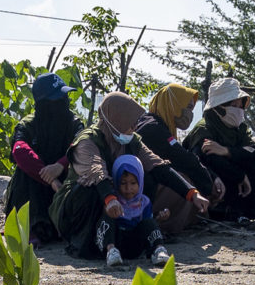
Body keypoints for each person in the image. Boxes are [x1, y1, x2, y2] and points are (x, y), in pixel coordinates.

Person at [55, 93, 204, 257]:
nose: (134, 126)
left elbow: (157, 166)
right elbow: (95, 172)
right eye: (130, 121)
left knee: (147, 178)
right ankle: (85, 244)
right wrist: (110, 199)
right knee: (89, 191)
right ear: (117, 119)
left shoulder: (132, 140)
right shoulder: (87, 142)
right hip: (77, 209)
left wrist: (192, 193)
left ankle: (133, 235)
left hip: (116, 201)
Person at [181, 78, 255, 221]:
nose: (238, 110)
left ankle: (253, 213)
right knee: (214, 159)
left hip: (241, 183)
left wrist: (227, 151)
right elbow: (203, 158)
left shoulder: (240, 128)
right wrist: (240, 176)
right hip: (217, 184)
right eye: (233, 105)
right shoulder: (204, 129)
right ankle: (225, 212)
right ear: (219, 107)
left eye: (240, 105)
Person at [6, 72, 81, 244]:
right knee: (22, 173)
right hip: (37, 185)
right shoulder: (28, 125)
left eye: (64, 96)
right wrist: (49, 177)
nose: (63, 101)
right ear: (44, 103)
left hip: (64, 182)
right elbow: (19, 150)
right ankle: (30, 228)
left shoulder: (74, 122)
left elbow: (81, 144)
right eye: (58, 97)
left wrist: (61, 165)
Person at [141, 83, 217, 207]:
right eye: (187, 107)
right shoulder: (153, 128)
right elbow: (182, 158)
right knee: (184, 179)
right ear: (173, 104)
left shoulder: (156, 124)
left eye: (192, 109)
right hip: (137, 191)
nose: (190, 113)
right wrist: (211, 182)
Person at [99, 155, 168, 266]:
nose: (128, 188)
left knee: (150, 223)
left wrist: (159, 219)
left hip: (136, 245)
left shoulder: (144, 202)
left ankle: (159, 250)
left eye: (133, 183)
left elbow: (147, 226)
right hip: (117, 242)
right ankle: (111, 252)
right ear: (116, 182)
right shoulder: (112, 201)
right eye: (123, 183)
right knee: (106, 217)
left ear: (140, 182)